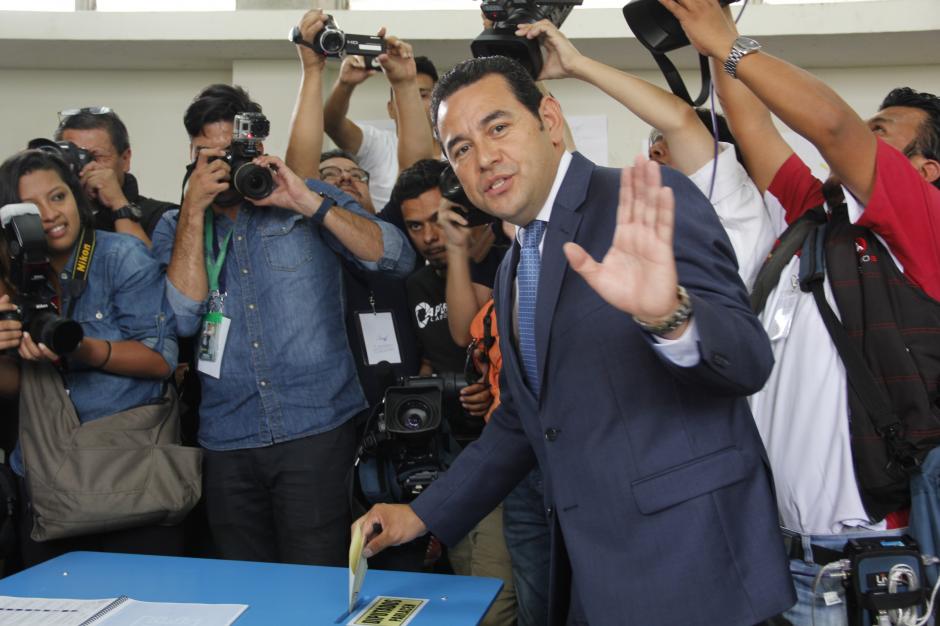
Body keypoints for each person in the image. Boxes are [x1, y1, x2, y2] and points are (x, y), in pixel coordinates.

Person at [352, 55, 794, 625]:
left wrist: (671, 316)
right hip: (592, 572)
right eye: (459, 147)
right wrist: (423, 514)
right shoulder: (514, 268)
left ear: (550, 119)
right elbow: (523, 419)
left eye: (498, 126)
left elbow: (750, 360)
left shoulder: (647, 198)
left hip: (694, 567)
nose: (483, 157)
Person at [660, 2, 940, 623]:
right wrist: (710, 45)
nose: (864, 137)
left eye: (883, 131)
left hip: (875, 560)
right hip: (784, 558)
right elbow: (756, 129)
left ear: (925, 170)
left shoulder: (927, 228)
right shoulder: (818, 218)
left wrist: (733, 44)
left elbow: (835, 129)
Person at [151, 12, 414, 568]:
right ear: (192, 156)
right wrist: (194, 208)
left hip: (316, 427)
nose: (223, 168)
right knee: (247, 589)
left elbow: (395, 256)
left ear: (257, 145)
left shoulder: (303, 198)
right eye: (208, 157)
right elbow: (179, 318)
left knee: (317, 582)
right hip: (228, 438)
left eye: (233, 153)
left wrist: (309, 202)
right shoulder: (178, 228)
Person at [0, 148, 181, 566]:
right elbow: (12, 388)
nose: (49, 214)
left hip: (130, 474)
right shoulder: (11, 277)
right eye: (30, 207)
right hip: (47, 476)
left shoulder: (120, 256)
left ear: (77, 199)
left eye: (58, 197)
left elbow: (159, 362)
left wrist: (80, 348)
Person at [391, 158, 517, 626]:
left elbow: (469, 333)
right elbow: (432, 355)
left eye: (440, 219)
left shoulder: (504, 258)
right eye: (416, 225)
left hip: (501, 451)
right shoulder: (416, 283)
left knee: (491, 597)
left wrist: (489, 386)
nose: (430, 235)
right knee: (462, 587)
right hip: (446, 456)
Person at [323, 50, 439, 208]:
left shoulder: (457, 150)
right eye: (403, 94)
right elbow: (331, 124)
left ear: (437, 105)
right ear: (391, 109)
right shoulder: (376, 143)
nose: (414, 103)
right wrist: (345, 84)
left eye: (423, 95)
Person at [54, 107, 176, 246]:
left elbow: (145, 267)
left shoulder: (162, 217)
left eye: (96, 156)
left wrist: (119, 204)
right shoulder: (52, 217)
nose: (86, 167)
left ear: (125, 159)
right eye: (75, 157)